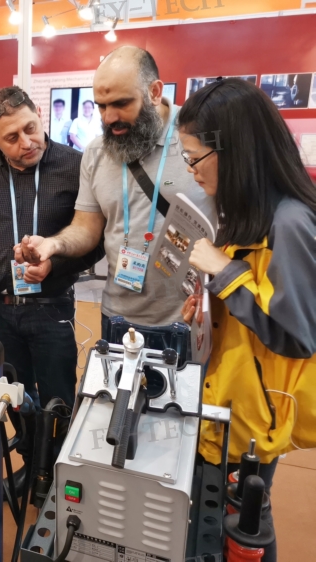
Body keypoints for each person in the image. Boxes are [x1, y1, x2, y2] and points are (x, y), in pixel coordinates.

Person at [177, 78, 316, 562]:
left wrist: (225, 273)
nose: (191, 170)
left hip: (255, 418)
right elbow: (253, 303)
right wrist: (210, 306)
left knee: (246, 529)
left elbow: (297, 334)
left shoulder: (290, 223)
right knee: (224, 523)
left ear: (233, 151)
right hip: (228, 403)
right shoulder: (247, 213)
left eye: (195, 157)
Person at [16, 46, 215, 338]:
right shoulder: (96, 152)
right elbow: (86, 227)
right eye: (101, 106)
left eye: (121, 103)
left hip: (189, 320)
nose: (109, 117)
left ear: (154, 92)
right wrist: (52, 245)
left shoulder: (199, 138)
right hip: (117, 317)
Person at [0, 85, 104, 412]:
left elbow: (95, 241)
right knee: (10, 400)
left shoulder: (75, 166)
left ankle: (55, 446)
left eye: (30, 128)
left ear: (40, 115)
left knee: (58, 402)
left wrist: (53, 265)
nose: (27, 142)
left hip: (52, 308)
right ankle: (25, 443)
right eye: (12, 137)